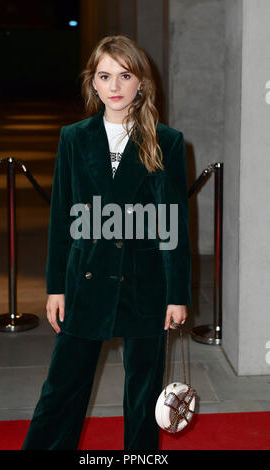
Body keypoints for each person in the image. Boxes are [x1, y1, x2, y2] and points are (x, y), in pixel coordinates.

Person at [21, 34, 192, 451]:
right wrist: (55, 286)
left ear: (141, 84)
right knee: (61, 389)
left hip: (145, 284)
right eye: (105, 75)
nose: (114, 86)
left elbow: (173, 226)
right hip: (86, 280)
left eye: (124, 75)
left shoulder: (166, 141)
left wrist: (176, 294)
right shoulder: (74, 138)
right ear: (93, 83)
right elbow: (62, 217)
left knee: (143, 394)